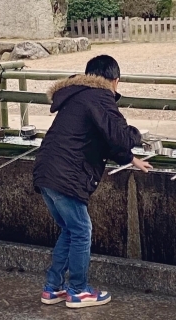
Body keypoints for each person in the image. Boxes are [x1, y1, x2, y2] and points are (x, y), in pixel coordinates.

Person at [33, 54, 152, 309]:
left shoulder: (79, 95)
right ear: (114, 80)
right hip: (66, 176)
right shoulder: (100, 96)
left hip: (46, 172)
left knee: (71, 229)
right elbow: (118, 135)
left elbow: (101, 137)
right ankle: (78, 290)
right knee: (82, 230)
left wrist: (131, 159)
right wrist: (137, 136)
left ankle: (53, 288)